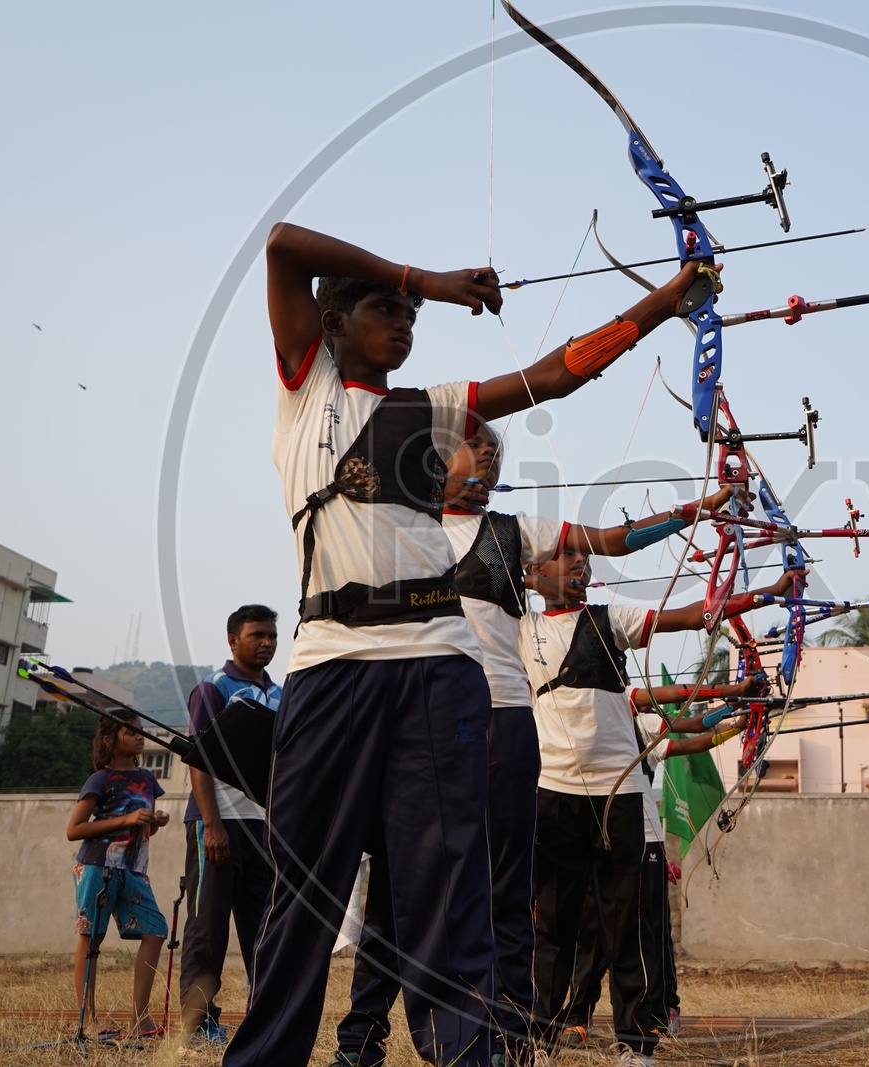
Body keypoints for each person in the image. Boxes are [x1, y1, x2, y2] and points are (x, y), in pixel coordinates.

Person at [226, 222, 711, 1067]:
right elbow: (283, 247)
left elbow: (555, 374)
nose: (407, 320)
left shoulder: (430, 407)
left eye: (413, 311)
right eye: (386, 308)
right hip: (332, 662)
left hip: (438, 667)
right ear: (329, 323)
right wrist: (430, 277)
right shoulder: (307, 384)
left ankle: (469, 1055)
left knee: (451, 892)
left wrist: (667, 304)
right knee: (304, 888)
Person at [332, 425, 731, 1067]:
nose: (490, 451)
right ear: (438, 457)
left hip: (503, 722)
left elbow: (609, 540)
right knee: (397, 884)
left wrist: (692, 512)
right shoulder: (405, 528)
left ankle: (511, 1040)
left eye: (496, 447)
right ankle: (361, 1040)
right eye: (475, 442)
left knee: (509, 889)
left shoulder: (514, 532)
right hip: (423, 721)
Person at [521, 539, 796, 1066]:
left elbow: (695, 615)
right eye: (565, 555)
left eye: (585, 556)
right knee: (553, 923)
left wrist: (768, 594)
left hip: (620, 792)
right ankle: (540, 1039)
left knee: (627, 924)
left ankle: (636, 1045)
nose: (581, 561)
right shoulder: (518, 629)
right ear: (533, 572)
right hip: (554, 791)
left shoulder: (611, 618)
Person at [562, 701, 746, 1049]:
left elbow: (689, 731)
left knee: (648, 936)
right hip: (593, 837)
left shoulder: (636, 720)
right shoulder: (579, 719)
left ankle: (657, 1016)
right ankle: (576, 1018)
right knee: (590, 935)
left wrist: (735, 719)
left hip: (641, 840)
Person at [178, 605, 282, 1045]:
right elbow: (197, 760)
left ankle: (265, 1024)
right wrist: (212, 824)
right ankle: (197, 1026)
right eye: (257, 635)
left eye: (272, 636)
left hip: (264, 828)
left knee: (265, 930)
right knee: (208, 927)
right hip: (218, 824)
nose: (267, 643)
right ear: (232, 640)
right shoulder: (213, 689)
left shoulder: (282, 695)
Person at [65, 714, 172, 1039]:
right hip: (98, 866)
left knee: (155, 932)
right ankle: (87, 1021)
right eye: (131, 731)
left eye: (142, 731)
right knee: (91, 938)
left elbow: (144, 830)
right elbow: (74, 830)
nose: (141, 736)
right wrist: (127, 818)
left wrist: (154, 821)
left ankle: (139, 1020)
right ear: (111, 740)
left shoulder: (147, 779)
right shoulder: (100, 779)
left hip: (134, 869)